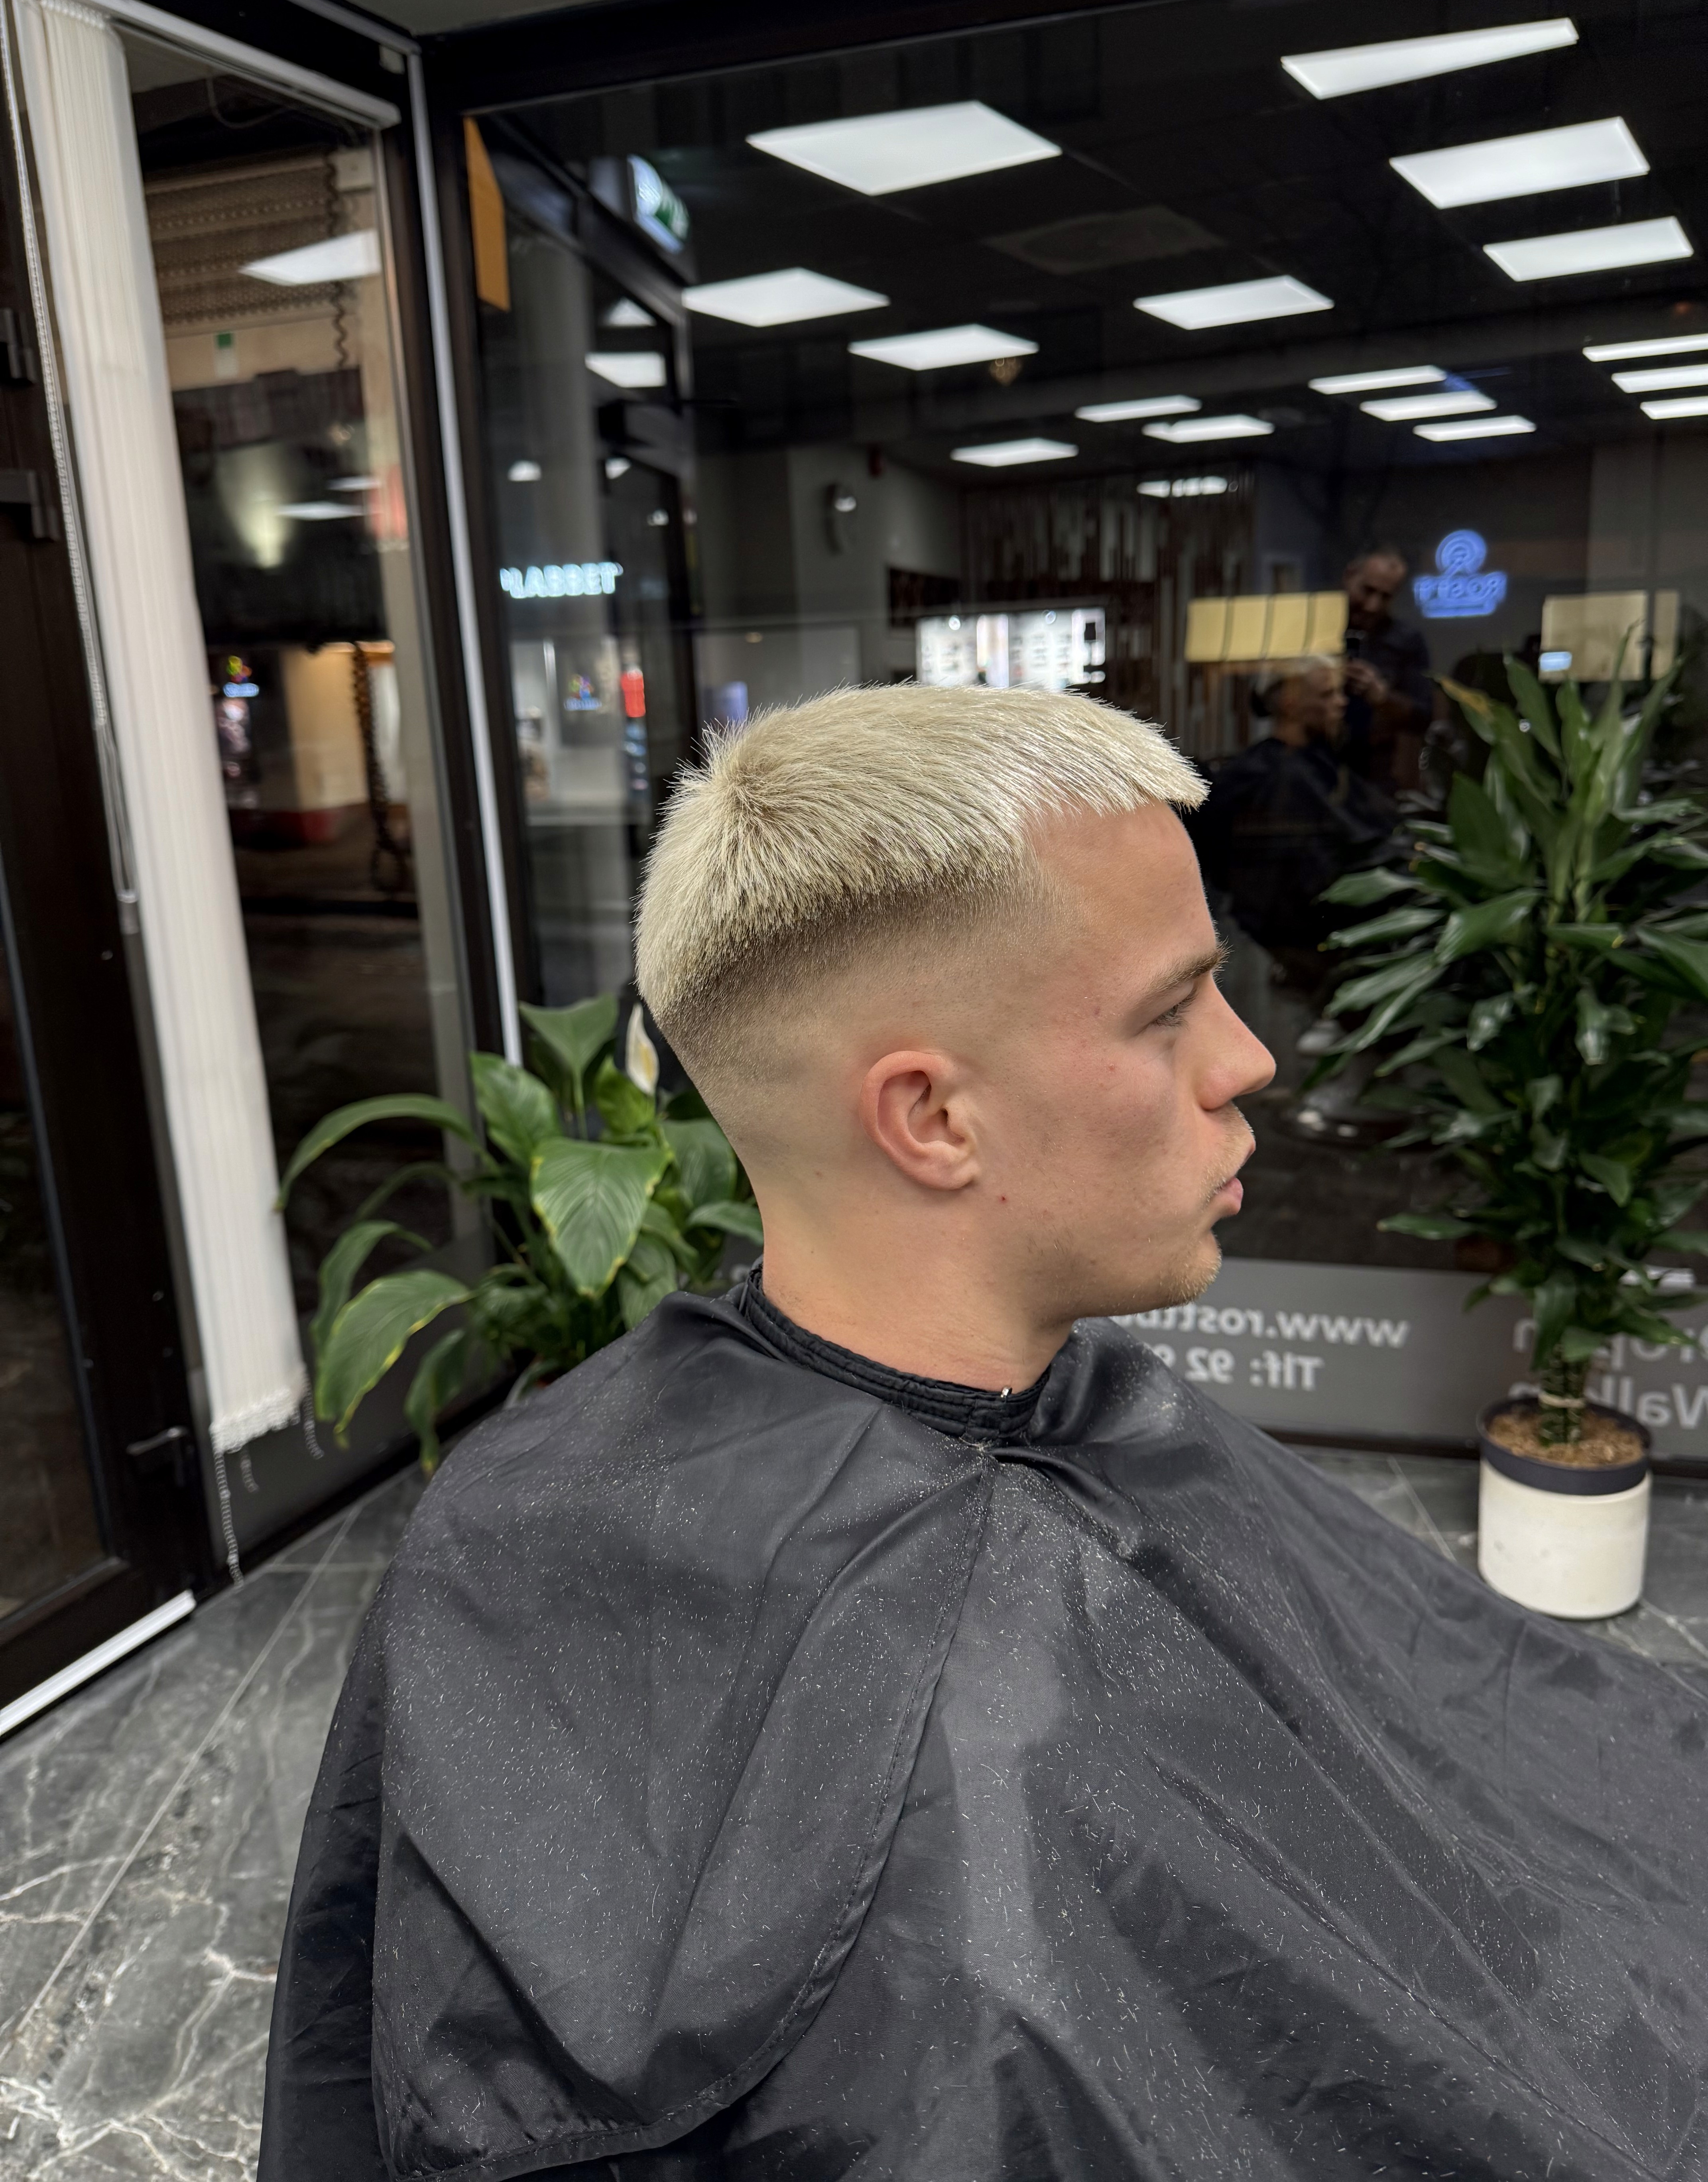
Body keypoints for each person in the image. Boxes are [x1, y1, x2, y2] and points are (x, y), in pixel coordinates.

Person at [261, 686, 1708, 2182]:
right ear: (933, 1119)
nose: (1246, 1062)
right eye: (1169, 1009)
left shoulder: (1080, 1423)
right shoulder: (532, 1579)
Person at [1191, 655, 1395, 995]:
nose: (1341, 703)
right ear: (1290, 703)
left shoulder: (1315, 763)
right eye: (1327, 695)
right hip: (1312, 937)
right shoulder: (1274, 776)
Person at [1341, 545, 1435, 795]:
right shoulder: (1314, 627)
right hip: (1310, 769)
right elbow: (1260, 701)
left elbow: (1423, 715)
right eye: (1368, 591)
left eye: (1386, 597)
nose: (1373, 606)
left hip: (1374, 775)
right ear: (1350, 575)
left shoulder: (1406, 641)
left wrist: (1382, 697)